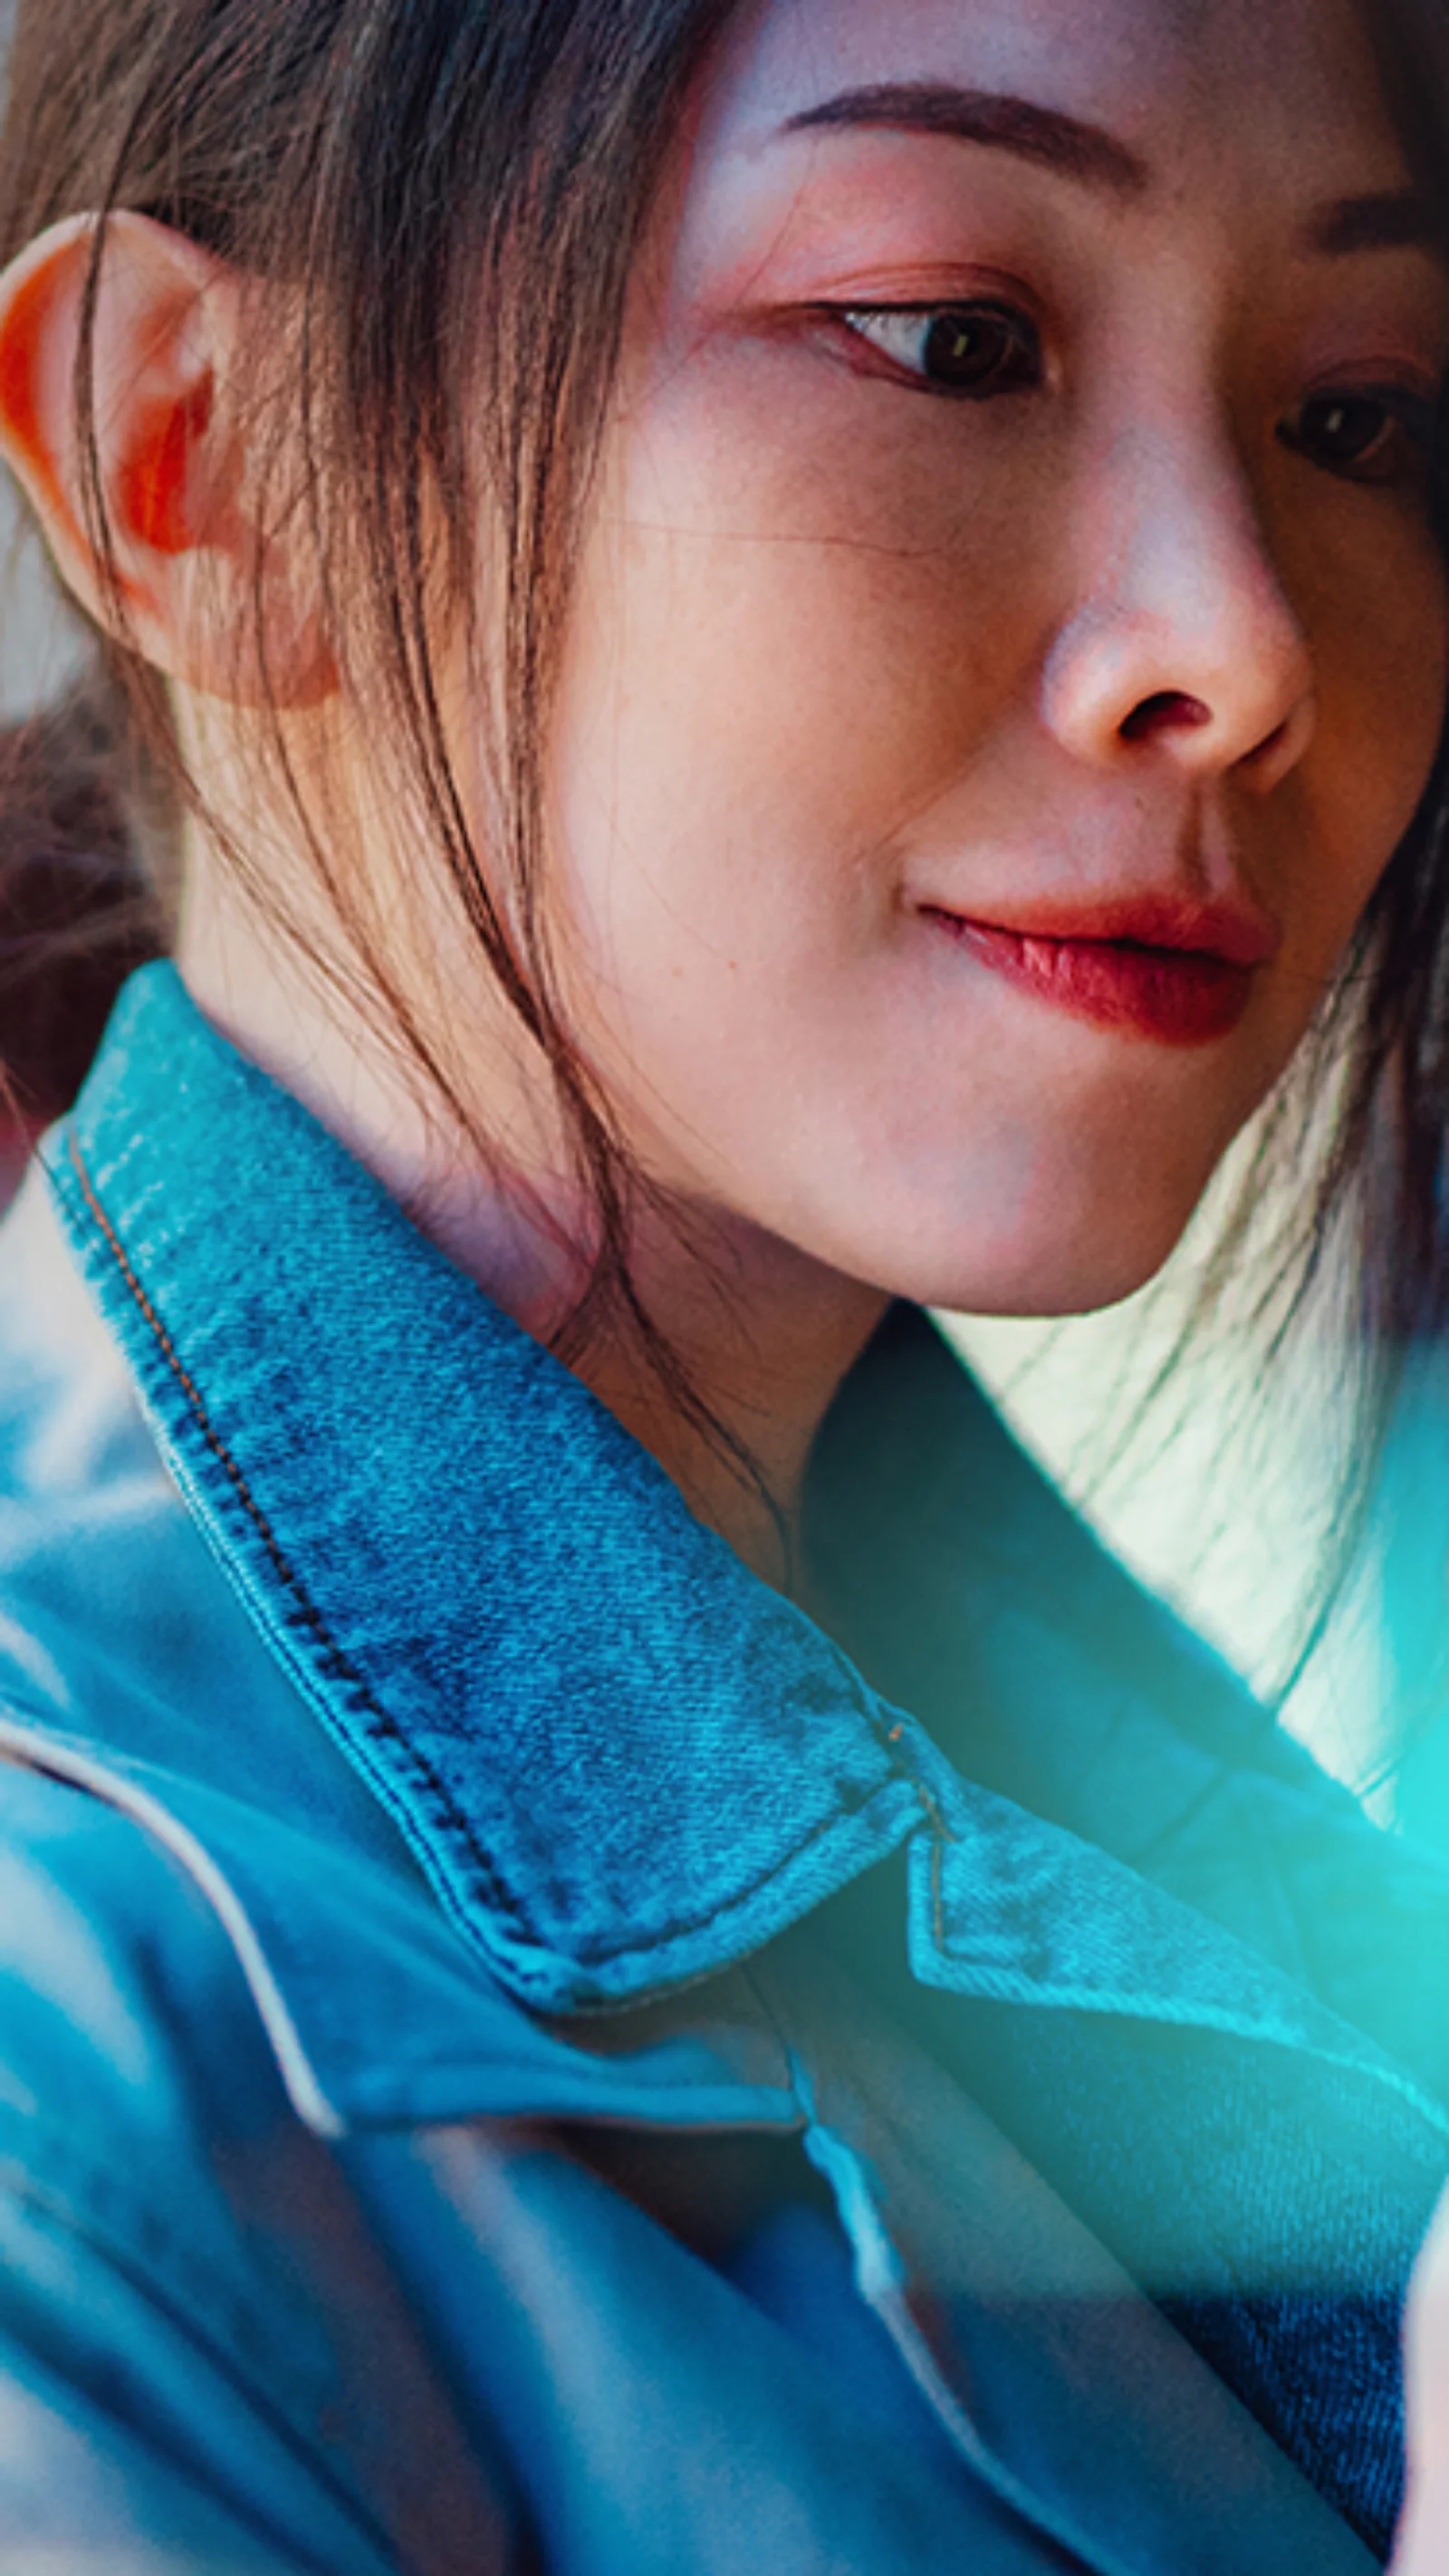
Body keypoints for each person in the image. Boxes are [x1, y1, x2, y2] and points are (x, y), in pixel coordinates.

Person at [2, 0, 1449, 2563]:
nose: (1243, 645)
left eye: (1358, 417)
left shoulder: (1104, 1794)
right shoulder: (67, 2107)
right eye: (951, 342)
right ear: (197, 465)